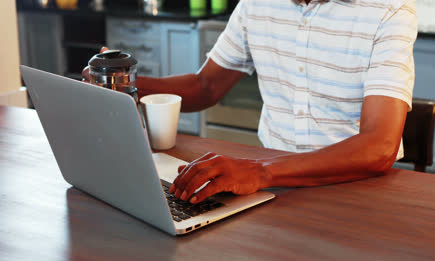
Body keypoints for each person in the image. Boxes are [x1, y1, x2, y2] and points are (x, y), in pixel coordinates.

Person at [86, 0, 417, 204]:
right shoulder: (256, 4)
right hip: (274, 191)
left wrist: (260, 172)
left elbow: (380, 146)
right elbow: (206, 85)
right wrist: (121, 84)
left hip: (355, 188)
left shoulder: (389, 9)